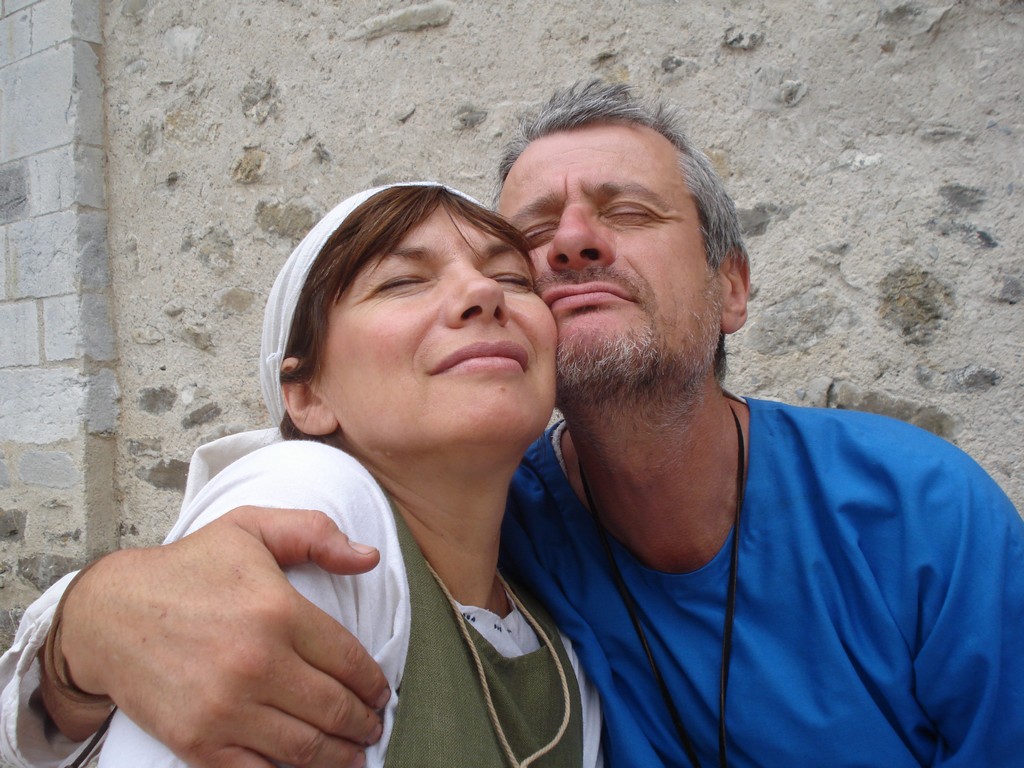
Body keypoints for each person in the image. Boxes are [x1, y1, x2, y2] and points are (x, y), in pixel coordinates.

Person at [2, 80, 1023, 767]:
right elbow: (272, 494)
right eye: (534, 235)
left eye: (628, 212)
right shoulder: (402, 515)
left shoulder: (919, 517)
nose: (569, 245)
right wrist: (84, 623)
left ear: (732, 287)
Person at [1, 182, 604, 768]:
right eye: (401, 281)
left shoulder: (561, 640)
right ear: (307, 397)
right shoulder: (314, 498)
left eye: (512, 279)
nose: (484, 292)